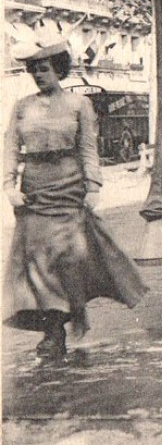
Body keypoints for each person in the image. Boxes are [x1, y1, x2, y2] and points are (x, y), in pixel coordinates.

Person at [3, 37, 147, 360]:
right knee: (40, 263)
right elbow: (10, 147)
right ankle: (53, 332)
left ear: (59, 69)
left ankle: (73, 309)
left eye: (44, 69)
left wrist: (93, 185)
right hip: (35, 189)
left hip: (70, 186)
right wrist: (9, 186)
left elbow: (88, 149)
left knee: (69, 258)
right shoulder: (22, 106)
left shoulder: (79, 104)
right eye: (33, 70)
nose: (38, 75)